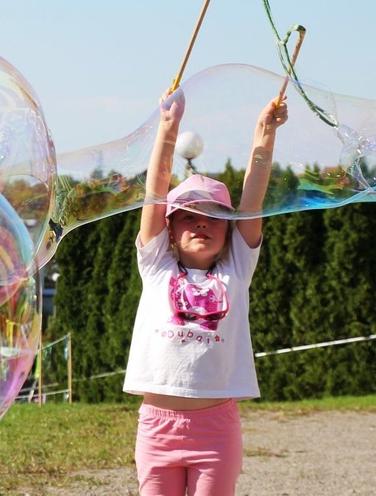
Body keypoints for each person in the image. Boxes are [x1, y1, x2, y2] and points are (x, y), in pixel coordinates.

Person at [123, 89, 288, 496]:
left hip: (216, 430)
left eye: (215, 216)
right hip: (156, 427)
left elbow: (253, 198)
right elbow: (156, 189)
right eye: (190, 216)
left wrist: (264, 134)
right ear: (171, 231)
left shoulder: (237, 268)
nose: (202, 223)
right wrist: (168, 128)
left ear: (230, 229)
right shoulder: (157, 265)